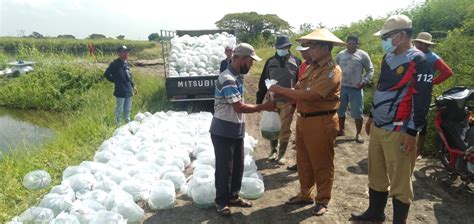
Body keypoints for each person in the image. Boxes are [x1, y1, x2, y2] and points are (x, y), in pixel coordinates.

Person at [351, 15, 433, 224]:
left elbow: (422, 98)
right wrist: (371, 117)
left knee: (400, 182)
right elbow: (381, 87)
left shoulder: (419, 60)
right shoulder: (388, 58)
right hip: (379, 126)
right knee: (376, 174)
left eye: (387, 36)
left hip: (399, 130)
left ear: (402, 35)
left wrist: (412, 132)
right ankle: (375, 212)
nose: (384, 40)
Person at [269, 28, 345, 216]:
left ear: (325, 48)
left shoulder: (331, 70)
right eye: (308, 46)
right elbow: (299, 88)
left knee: (322, 162)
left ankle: (322, 199)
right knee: (303, 161)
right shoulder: (311, 66)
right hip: (304, 120)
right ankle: (305, 194)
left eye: (313, 46)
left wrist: (281, 90)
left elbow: (311, 95)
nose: (309, 50)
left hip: (321, 121)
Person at [209, 43, 275, 216]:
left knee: (237, 166)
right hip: (223, 130)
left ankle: (233, 196)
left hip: (235, 128)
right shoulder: (227, 78)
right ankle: (221, 202)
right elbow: (238, 107)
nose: (252, 65)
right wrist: (264, 106)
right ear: (243, 59)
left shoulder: (238, 77)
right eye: (251, 61)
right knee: (225, 168)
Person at [256, 35, 301, 164]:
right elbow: (263, 82)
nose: (282, 49)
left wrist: (297, 101)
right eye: (279, 47)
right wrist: (259, 102)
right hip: (272, 101)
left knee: (285, 128)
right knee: (272, 125)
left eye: (284, 47)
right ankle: (273, 151)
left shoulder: (296, 61)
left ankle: (282, 154)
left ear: (289, 47)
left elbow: (299, 82)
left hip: (288, 101)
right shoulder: (270, 62)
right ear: (276, 48)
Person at [413, 32, 453, 157]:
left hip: (423, 95)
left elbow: (447, 72)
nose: (420, 45)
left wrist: (431, 82)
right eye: (418, 43)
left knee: (421, 122)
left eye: (423, 44)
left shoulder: (432, 58)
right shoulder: (410, 54)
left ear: (428, 45)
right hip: (408, 93)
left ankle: (418, 151)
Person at [335, 35, 374, 143]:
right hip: (342, 87)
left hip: (356, 88)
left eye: (353, 43)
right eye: (349, 43)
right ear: (346, 43)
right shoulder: (341, 55)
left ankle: (358, 133)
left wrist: (365, 81)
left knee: (357, 112)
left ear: (357, 44)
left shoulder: (362, 55)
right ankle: (341, 129)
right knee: (340, 110)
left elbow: (370, 70)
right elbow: (335, 69)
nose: (351, 45)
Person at [287, 43, 313, 171]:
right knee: (300, 141)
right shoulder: (302, 66)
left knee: (312, 143)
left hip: (314, 113)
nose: (303, 54)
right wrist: (293, 106)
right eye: (301, 51)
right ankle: (300, 164)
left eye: (306, 51)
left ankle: (310, 166)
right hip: (301, 110)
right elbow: (298, 88)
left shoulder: (320, 68)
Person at [104, 45, 137, 125]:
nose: (126, 53)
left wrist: (133, 86)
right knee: (119, 110)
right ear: (119, 53)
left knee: (128, 110)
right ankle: (117, 125)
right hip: (120, 91)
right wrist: (115, 81)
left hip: (129, 90)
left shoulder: (126, 63)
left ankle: (127, 124)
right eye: (124, 52)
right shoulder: (114, 64)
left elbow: (129, 76)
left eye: (127, 52)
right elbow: (106, 74)